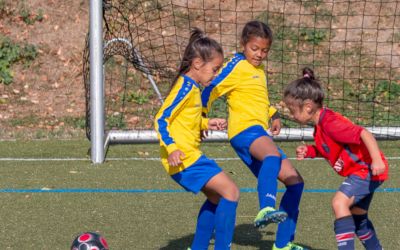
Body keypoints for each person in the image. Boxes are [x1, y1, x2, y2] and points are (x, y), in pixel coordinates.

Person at [202, 20, 306, 250]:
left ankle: (282, 244)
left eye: (265, 50)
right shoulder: (236, 64)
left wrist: (273, 113)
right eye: (254, 49)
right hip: (244, 130)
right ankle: (265, 208)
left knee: (295, 182)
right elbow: (210, 88)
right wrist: (201, 117)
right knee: (271, 156)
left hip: (259, 131)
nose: (259, 54)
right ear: (243, 44)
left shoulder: (258, 71)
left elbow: (257, 99)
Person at [283, 67, 388, 250]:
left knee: (339, 202)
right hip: (363, 170)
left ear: (308, 107)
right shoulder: (320, 126)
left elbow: (364, 133)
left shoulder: (330, 123)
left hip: (365, 170)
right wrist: (309, 151)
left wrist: (376, 160)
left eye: (293, 111)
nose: (292, 115)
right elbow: (328, 149)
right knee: (359, 220)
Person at [154, 28, 239, 250]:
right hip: (184, 158)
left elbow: (185, 120)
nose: (216, 74)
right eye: (215, 69)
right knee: (230, 191)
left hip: (188, 156)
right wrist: (171, 148)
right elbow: (161, 119)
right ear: (198, 63)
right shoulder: (183, 87)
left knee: (216, 198)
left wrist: (206, 123)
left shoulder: (191, 87)